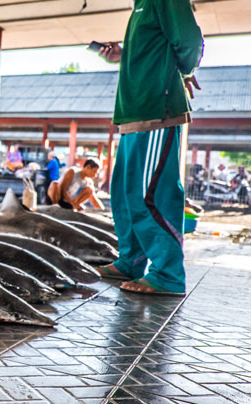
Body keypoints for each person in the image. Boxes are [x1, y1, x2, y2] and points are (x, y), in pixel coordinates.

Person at [96, 0, 203, 295]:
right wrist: (123, 54)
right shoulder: (140, 4)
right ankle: (131, 259)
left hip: (158, 108)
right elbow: (154, 48)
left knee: (151, 193)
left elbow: (190, 41)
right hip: (131, 112)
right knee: (124, 193)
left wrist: (181, 72)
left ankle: (168, 273)